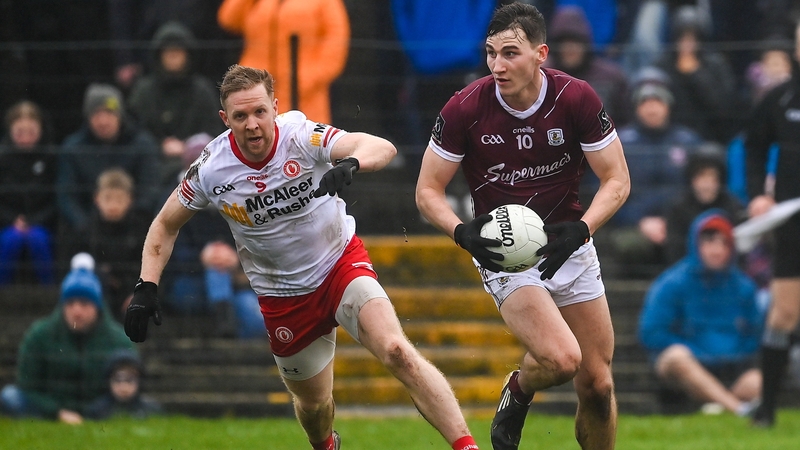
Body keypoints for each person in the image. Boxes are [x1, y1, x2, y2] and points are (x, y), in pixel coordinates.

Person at [123, 64, 480, 450]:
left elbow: (382, 146)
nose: (253, 124)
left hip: (339, 265)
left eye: (260, 112)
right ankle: (326, 444)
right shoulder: (211, 168)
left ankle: (466, 446)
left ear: (275, 107)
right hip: (283, 297)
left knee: (397, 352)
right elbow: (164, 225)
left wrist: (351, 163)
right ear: (226, 119)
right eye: (240, 116)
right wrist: (146, 286)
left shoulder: (301, 135)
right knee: (313, 404)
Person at [415, 3, 630, 449]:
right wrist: (462, 232)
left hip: (568, 243)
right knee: (562, 358)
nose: (497, 65)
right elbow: (427, 192)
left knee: (599, 386)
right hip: (506, 252)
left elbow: (617, 180)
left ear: (541, 53)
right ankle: (520, 389)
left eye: (510, 52)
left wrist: (582, 229)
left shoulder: (577, 97)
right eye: (491, 53)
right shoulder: (465, 108)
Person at [638, 210, 764, 416]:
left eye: (724, 243)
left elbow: (755, 332)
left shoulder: (744, 287)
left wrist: (733, 351)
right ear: (696, 244)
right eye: (710, 242)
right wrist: (698, 350)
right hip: (688, 366)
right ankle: (738, 409)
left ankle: (719, 404)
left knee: (760, 381)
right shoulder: (671, 283)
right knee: (676, 356)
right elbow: (651, 332)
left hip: (732, 367)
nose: (717, 250)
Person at [744, 20, 800, 428]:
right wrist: (758, 194)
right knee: (784, 314)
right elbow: (754, 145)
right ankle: (766, 409)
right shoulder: (781, 99)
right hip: (792, 221)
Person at [0, 256, 135, 423]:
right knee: (10, 396)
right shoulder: (38, 335)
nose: (76, 311)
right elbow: (27, 387)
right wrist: (57, 412)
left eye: (84, 303)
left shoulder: (119, 340)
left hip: (99, 410)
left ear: (98, 307)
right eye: (70, 303)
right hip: (53, 409)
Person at [605, 69, 703, 278]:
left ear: (669, 105)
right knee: (628, 246)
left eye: (658, 101)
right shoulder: (619, 143)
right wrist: (640, 222)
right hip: (634, 226)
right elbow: (605, 191)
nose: (652, 108)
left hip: (682, 223)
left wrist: (674, 222)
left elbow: (697, 191)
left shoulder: (689, 142)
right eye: (645, 102)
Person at [127, 21, 226, 190]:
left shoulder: (202, 91)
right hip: (151, 165)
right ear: (159, 56)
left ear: (188, 55)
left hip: (196, 165)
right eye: (168, 52)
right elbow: (132, 129)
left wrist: (188, 147)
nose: (173, 58)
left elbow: (215, 131)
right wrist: (159, 145)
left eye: (178, 52)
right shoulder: (143, 91)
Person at [217, 0, 350, 125]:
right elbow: (228, 19)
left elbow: (336, 44)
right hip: (254, 88)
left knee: (305, 141)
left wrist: (309, 78)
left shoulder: (324, 2)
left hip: (304, 92)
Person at [57, 83, 160, 234]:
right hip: (86, 231)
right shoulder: (73, 148)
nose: (103, 121)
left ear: (120, 115)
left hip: (133, 231)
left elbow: (150, 190)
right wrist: (85, 226)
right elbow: (66, 196)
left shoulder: (142, 144)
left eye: (109, 113)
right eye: (96, 114)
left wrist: (131, 219)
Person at [71, 169, 150, 322]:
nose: (113, 205)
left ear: (130, 199)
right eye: (108, 198)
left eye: (119, 199)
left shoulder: (142, 230)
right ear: (96, 198)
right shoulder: (85, 231)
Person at [0, 100, 58, 285]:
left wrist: (35, 220)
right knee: (11, 240)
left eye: (31, 132)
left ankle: (48, 293)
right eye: (20, 132)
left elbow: (57, 197)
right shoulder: (2, 158)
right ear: (10, 130)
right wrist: (12, 220)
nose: (25, 138)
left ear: (40, 130)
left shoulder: (51, 157)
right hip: (8, 225)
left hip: (42, 224)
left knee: (38, 240)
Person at [545, 5, 631, 126]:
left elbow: (626, 123)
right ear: (555, 46)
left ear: (586, 44)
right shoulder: (542, 77)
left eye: (576, 43)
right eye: (564, 43)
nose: (570, 49)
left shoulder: (612, 77)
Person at [664, 151, 746, 264]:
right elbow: (675, 251)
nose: (707, 184)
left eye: (712, 176)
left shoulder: (735, 208)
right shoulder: (678, 209)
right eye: (701, 176)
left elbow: (741, 250)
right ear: (691, 179)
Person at [85, 349, 162, 420]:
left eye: (130, 380)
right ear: (108, 381)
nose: (124, 386)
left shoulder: (151, 410)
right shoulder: (97, 411)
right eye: (117, 380)